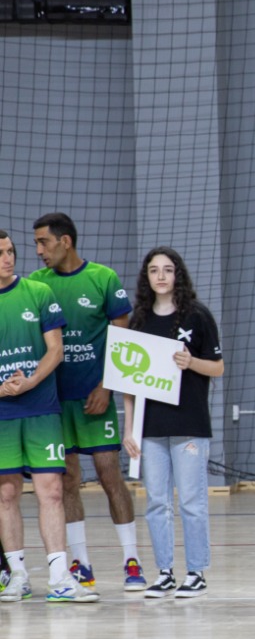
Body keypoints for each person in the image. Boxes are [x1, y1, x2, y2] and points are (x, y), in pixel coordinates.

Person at [31, 212, 144, 591]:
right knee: (67, 480)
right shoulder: (37, 285)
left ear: (65, 242)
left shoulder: (103, 278)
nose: (39, 251)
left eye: (44, 242)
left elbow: (124, 342)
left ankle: (131, 560)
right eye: (36, 243)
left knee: (110, 474)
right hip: (54, 403)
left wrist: (106, 387)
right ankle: (82, 565)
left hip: (97, 397)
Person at [0, 229, 97, 603]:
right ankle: (18, 576)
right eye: (1, 253)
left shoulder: (39, 293)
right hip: (3, 413)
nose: (8, 258)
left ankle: (59, 577)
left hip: (41, 409)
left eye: (11, 250)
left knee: (52, 490)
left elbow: (55, 351)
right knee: (6, 492)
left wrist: (29, 383)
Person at [120, 247, 223, 599]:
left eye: (167, 269)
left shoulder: (198, 316)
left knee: (192, 501)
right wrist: (129, 429)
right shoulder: (139, 320)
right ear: (146, 277)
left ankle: (196, 572)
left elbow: (218, 367)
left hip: (189, 424)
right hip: (151, 428)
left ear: (178, 274)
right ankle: (164, 572)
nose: (161, 276)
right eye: (154, 270)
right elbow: (128, 380)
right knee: (156, 502)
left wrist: (191, 362)